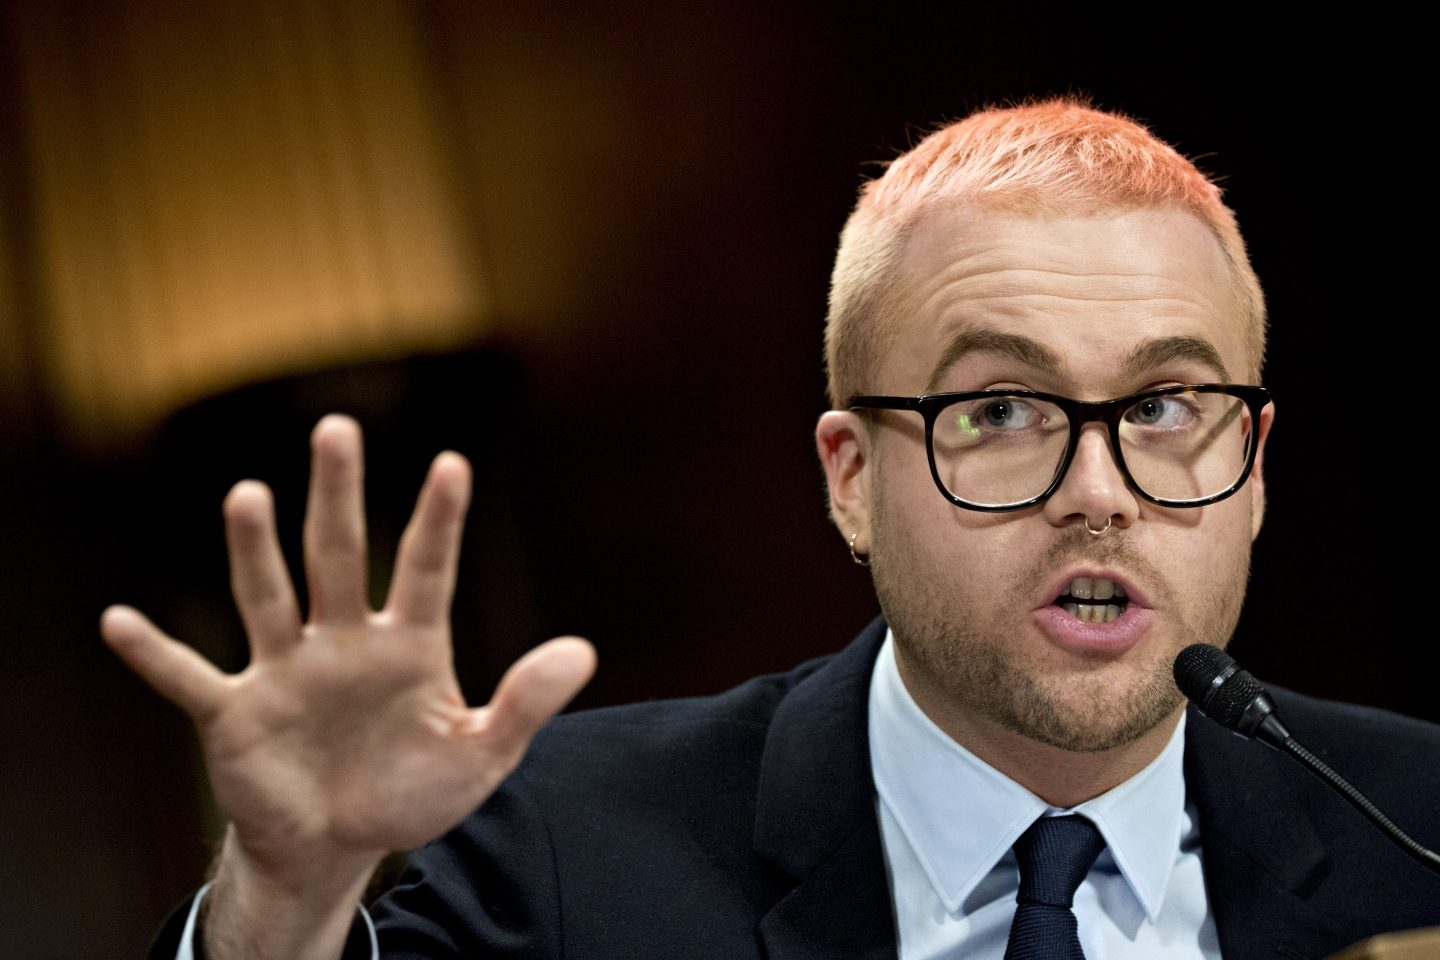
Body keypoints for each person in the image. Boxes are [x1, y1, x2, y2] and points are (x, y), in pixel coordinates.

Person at [108, 99, 1440, 960]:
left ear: (1254, 466)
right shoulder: (570, 851)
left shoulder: (1416, 828)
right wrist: (284, 906)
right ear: (850, 476)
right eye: (998, 412)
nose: (1098, 489)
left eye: (1162, 406)